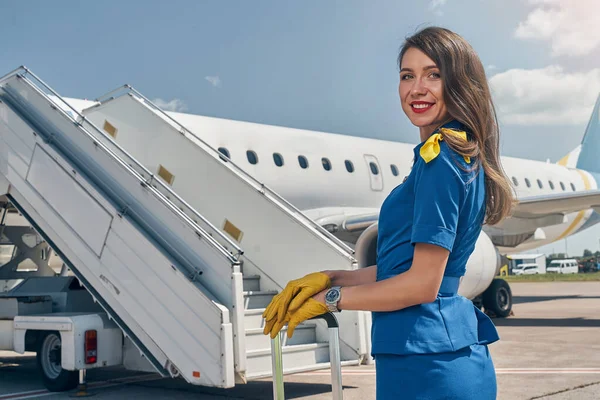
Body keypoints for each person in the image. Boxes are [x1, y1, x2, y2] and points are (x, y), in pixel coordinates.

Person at [262, 26, 514, 400]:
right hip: (434, 356)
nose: (417, 88)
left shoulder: (441, 159)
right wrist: (335, 278)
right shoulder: (451, 155)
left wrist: (328, 301)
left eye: (434, 74)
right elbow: (409, 270)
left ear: (459, 82)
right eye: (406, 76)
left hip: (429, 366)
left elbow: (421, 285)